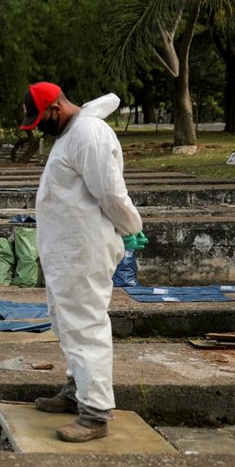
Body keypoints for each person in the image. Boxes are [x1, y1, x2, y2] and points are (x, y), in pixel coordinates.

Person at [20, 81, 146, 443]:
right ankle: (77, 390)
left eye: (40, 119)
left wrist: (130, 226)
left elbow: (110, 192)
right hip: (66, 252)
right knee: (67, 324)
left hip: (83, 251)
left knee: (86, 326)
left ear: (56, 108)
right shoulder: (69, 134)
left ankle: (95, 413)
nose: (38, 127)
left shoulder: (89, 133)